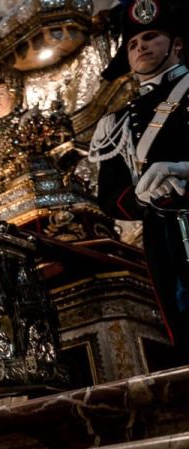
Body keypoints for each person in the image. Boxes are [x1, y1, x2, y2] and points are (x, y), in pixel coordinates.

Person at [90, 0, 189, 363]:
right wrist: (141, 197)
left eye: (151, 37)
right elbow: (110, 196)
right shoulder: (115, 122)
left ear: (175, 44)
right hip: (163, 235)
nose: (141, 47)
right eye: (132, 44)